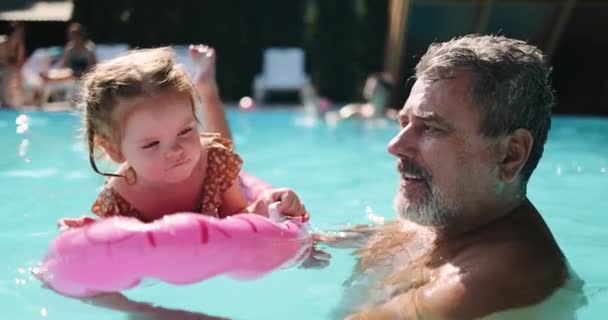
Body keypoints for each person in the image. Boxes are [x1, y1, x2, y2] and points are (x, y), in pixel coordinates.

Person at [319, 35, 585, 319]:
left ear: (510, 155)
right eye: (405, 122)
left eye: (431, 128)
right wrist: (293, 232)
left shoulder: (491, 280)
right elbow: (393, 238)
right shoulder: (453, 215)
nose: (395, 146)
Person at [58, 45, 308, 228]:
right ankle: (205, 89)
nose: (175, 150)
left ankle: (207, 90)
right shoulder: (120, 198)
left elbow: (239, 216)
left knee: (221, 147)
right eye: (152, 144)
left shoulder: (214, 162)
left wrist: (266, 206)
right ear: (114, 149)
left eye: (186, 130)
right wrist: (93, 233)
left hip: (210, 160)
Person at [0, 21, 26, 107]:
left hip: (9, 68)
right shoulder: (4, 41)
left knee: (9, 78)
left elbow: (19, 61)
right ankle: (6, 103)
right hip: (5, 67)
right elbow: (3, 59)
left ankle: (7, 103)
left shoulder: (19, 44)